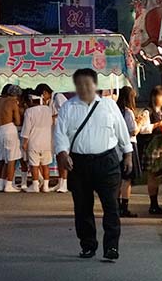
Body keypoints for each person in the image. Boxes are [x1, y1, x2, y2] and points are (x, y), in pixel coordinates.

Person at [54, 68, 133, 261]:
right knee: (82, 207)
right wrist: (63, 153)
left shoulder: (108, 106)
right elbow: (60, 134)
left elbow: (122, 131)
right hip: (79, 164)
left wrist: (128, 154)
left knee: (111, 206)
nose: (84, 88)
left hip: (107, 162)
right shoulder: (68, 108)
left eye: (87, 83)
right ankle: (88, 245)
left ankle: (111, 247)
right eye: (80, 84)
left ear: (95, 85)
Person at [117, 86, 143, 218]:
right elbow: (133, 131)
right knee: (127, 178)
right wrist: (139, 123)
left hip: (116, 147)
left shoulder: (116, 110)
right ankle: (124, 207)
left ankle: (116, 206)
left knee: (118, 177)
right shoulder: (128, 112)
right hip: (130, 145)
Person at [145, 85, 162, 215]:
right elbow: (143, 129)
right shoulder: (148, 112)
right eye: (160, 96)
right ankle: (153, 204)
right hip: (152, 146)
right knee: (152, 176)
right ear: (154, 97)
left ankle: (156, 204)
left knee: (159, 177)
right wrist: (157, 125)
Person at [21, 94, 54, 192]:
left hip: (34, 141)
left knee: (34, 165)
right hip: (47, 141)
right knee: (46, 165)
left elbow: (27, 128)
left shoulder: (29, 111)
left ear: (31, 101)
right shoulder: (48, 110)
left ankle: (35, 186)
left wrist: (24, 142)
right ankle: (46, 187)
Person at [0, 84, 23, 192]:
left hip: (0, 130)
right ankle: (9, 184)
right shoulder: (13, 103)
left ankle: (0, 184)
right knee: (11, 159)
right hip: (10, 129)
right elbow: (18, 121)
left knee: (5, 159)